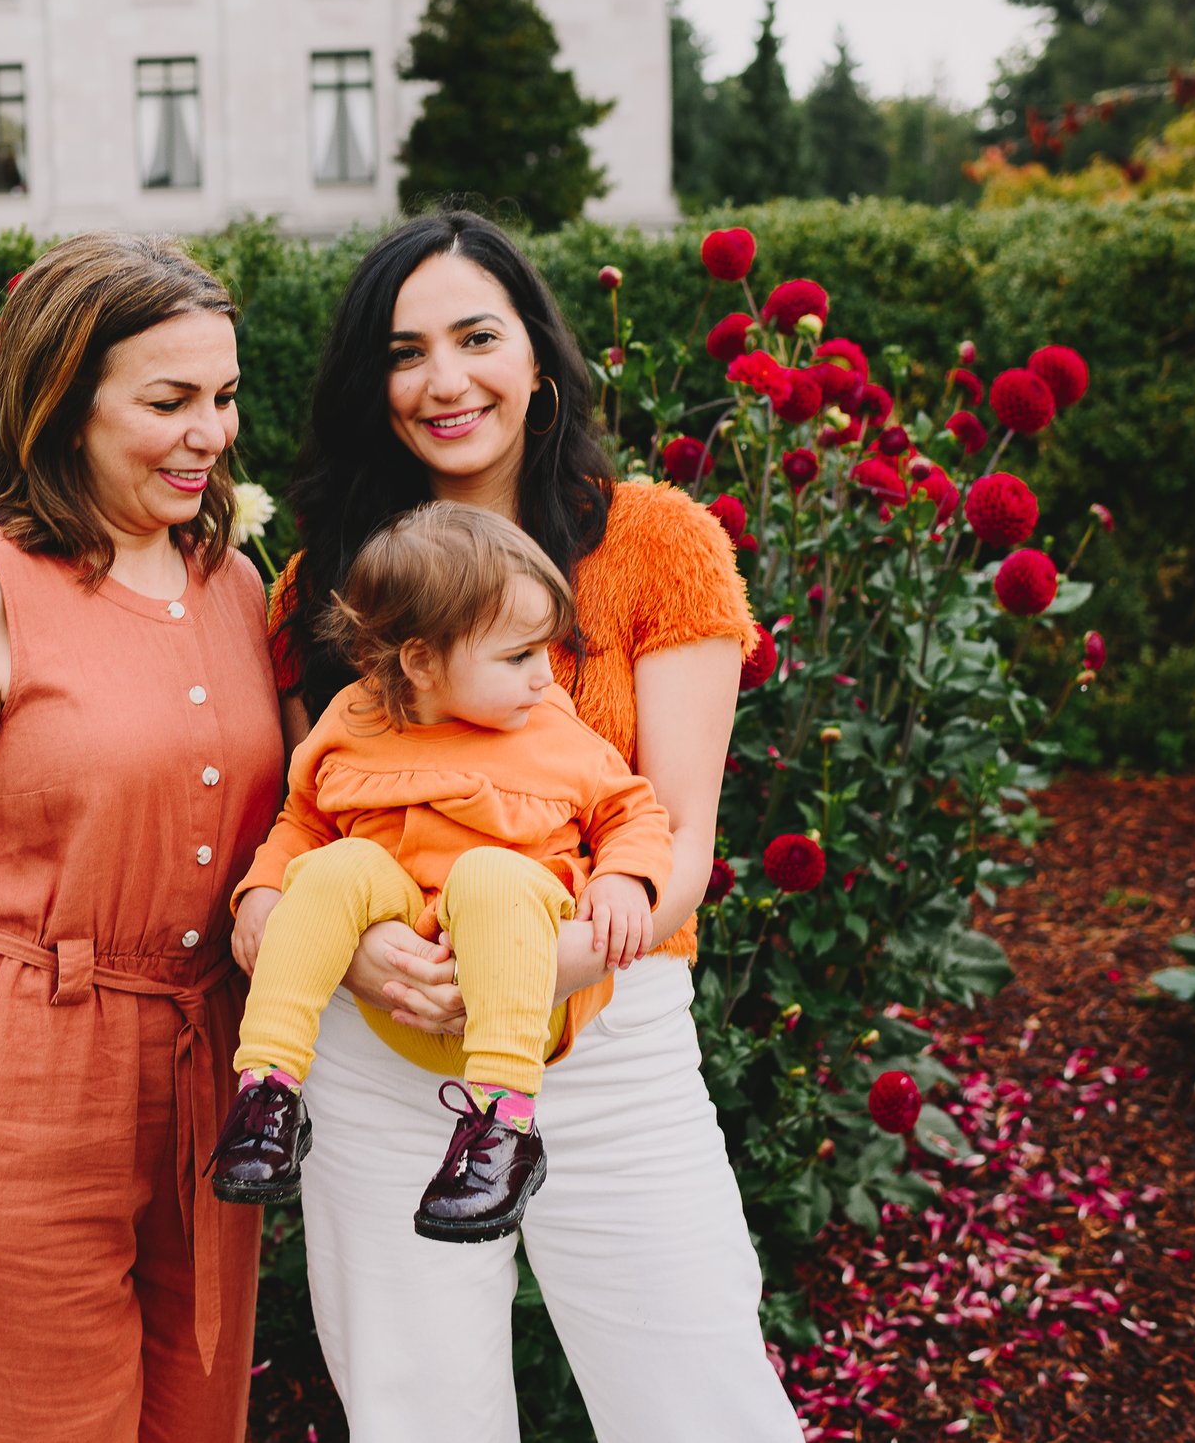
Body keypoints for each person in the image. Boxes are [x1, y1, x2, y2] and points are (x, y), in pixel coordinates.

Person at [256, 211, 803, 1440]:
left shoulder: (656, 545)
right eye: (403, 352)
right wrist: (354, 954)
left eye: (475, 336)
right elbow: (317, 812)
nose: (443, 380)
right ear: (370, 383)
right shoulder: (321, 580)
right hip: (385, 1043)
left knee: (699, 1397)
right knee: (416, 1411)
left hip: (603, 1032)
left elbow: (679, 851)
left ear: (539, 357)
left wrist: (527, 973)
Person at [0, 231, 286, 1442]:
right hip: (13, 1095)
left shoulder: (237, 582)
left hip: (205, 1088)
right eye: (170, 400)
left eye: (226, 395)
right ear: (65, 404)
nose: (212, 431)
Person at [207, 503, 677, 1245]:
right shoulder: (351, 725)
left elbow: (633, 813)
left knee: (492, 872)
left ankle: (505, 1127)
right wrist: (264, 889)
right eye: (517, 656)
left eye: (544, 651)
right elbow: (303, 820)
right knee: (337, 864)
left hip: (518, 1001)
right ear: (420, 662)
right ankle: (268, 1088)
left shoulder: (553, 731)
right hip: (398, 998)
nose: (542, 675)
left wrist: (624, 879)